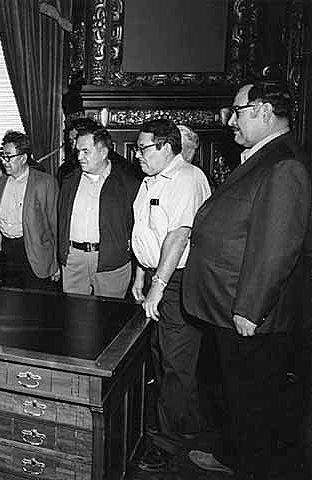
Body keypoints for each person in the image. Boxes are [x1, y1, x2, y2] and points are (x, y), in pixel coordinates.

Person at [183, 81, 312, 479]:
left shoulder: (284, 164)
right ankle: (233, 456)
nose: (230, 120)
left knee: (254, 409)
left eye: (237, 111)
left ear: (263, 111)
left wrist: (249, 310)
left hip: (249, 315)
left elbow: (277, 246)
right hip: (227, 305)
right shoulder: (262, 157)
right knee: (235, 400)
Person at [130, 119, 211, 472]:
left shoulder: (188, 179)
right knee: (162, 355)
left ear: (166, 147)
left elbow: (178, 237)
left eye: (144, 148)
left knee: (176, 363)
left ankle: (166, 445)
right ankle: (188, 428)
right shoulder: (151, 179)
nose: (137, 155)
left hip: (176, 282)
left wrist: (157, 289)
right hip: (156, 277)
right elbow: (146, 230)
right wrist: (140, 275)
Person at [58, 126, 139, 298]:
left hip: (110, 261)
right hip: (74, 260)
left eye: (86, 152)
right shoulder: (69, 181)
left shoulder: (127, 183)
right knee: (74, 316)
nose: (79, 157)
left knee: (109, 318)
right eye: (78, 151)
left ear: (103, 152)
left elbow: (135, 226)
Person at [0, 131, 58, 289]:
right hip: (6, 252)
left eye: (9, 157)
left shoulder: (45, 183)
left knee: (35, 306)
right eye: (3, 156)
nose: (4, 161)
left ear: (23, 158)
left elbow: (55, 225)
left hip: (34, 252)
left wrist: (56, 264)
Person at [57, 117, 100, 185]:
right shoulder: (65, 170)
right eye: (71, 141)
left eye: (76, 139)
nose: (74, 146)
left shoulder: (115, 167)